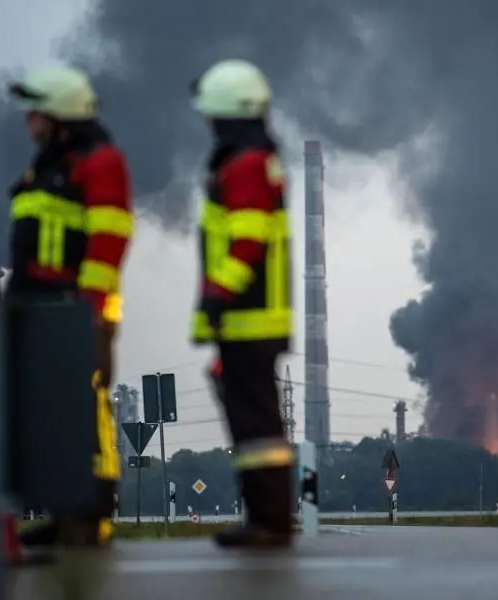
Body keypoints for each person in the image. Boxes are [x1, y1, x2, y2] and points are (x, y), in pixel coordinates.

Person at [6, 64, 134, 547]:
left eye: (36, 112)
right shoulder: (46, 165)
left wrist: (92, 307)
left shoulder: (98, 161)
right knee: (49, 413)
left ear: (58, 115)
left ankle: (91, 513)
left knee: (87, 407)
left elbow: (109, 238)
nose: (29, 121)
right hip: (38, 307)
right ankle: (63, 513)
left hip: (78, 307)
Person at [190, 59, 295, 548]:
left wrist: (217, 296)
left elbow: (247, 242)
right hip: (252, 319)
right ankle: (269, 516)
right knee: (258, 424)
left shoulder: (247, 165)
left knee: (254, 424)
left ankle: (268, 520)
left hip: (247, 318)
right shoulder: (255, 160)